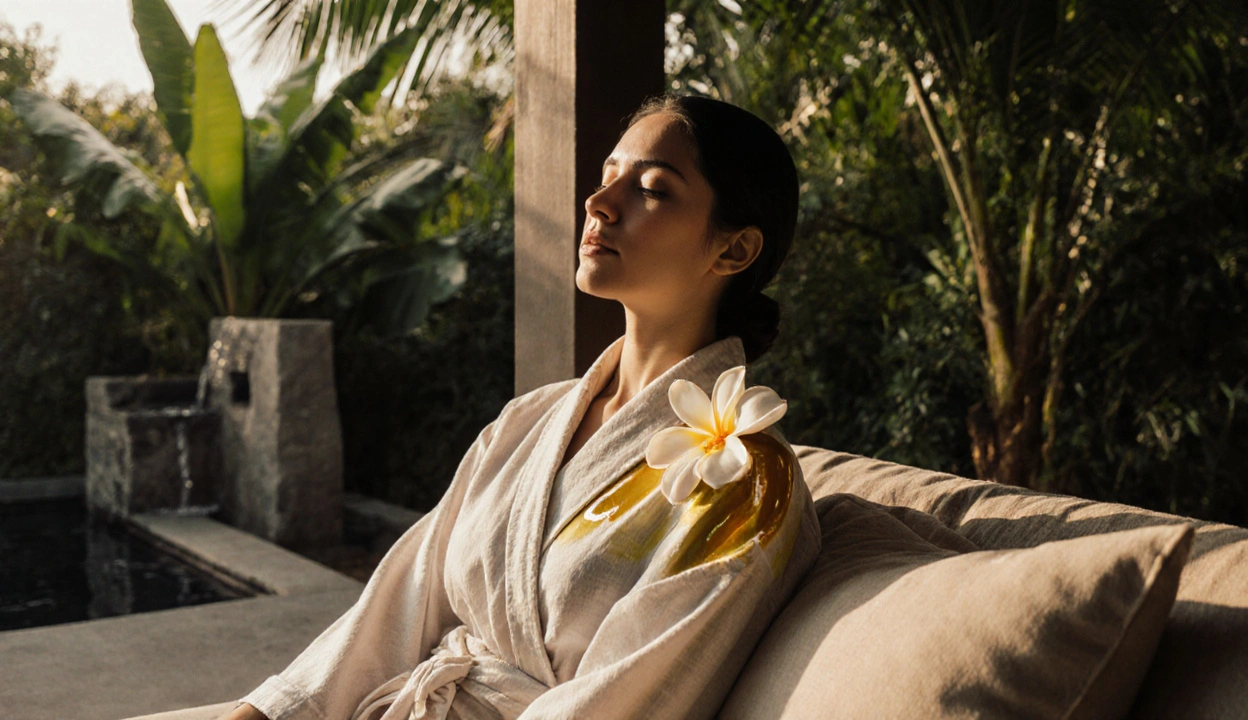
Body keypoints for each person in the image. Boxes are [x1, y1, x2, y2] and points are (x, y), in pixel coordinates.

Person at [222, 95, 821, 720]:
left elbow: (631, 699)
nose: (600, 202)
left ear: (733, 250)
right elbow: (407, 596)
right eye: (608, 174)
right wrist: (269, 713)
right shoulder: (530, 420)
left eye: (652, 189)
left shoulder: (745, 478)